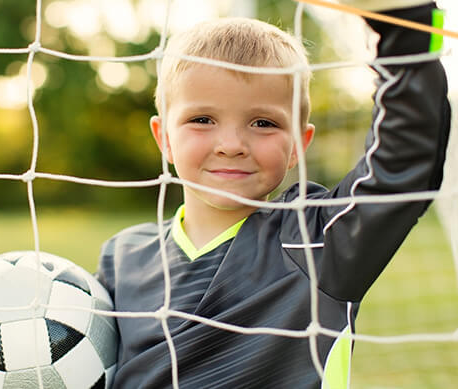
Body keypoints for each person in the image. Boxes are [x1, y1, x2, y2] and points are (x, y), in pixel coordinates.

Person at [96, 1, 451, 388]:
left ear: (299, 144)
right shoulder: (122, 258)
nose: (231, 144)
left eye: (263, 123)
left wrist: (407, 25)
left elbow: (401, 165)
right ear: (163, 137)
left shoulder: (317, 243)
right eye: (202, 120)